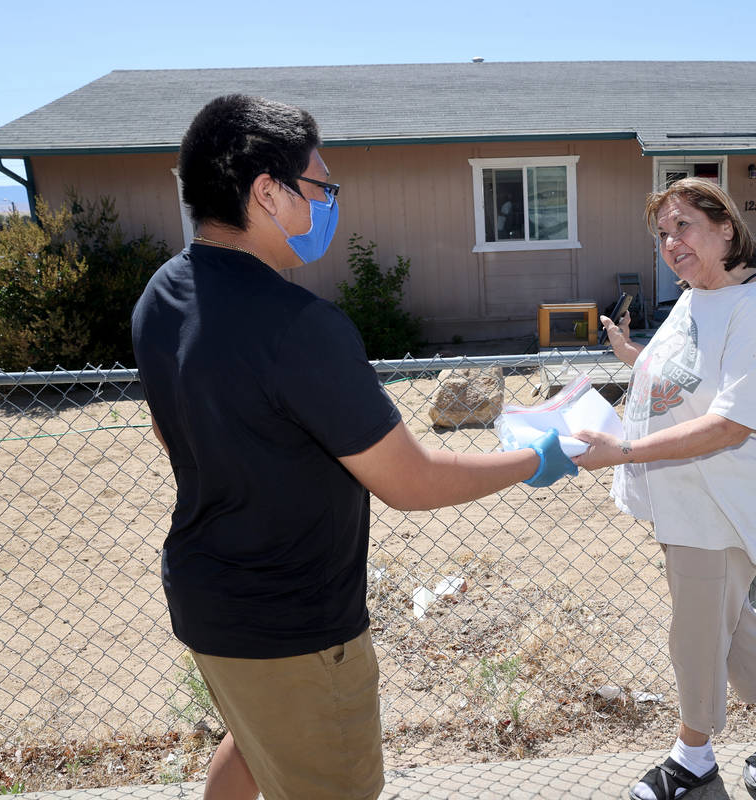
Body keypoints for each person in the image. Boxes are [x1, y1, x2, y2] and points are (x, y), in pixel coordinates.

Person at [130, 94, 576, 800]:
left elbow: (168, 427)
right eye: (320, 187)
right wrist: (539, 458)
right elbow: (411, 481)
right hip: (296, 627)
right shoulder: (301, 327)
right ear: (268, 193)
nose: (330, 202)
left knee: (254, 741)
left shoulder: (162, 295)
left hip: (208, 598)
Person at [572, 177, 756, 799]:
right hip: (681, 503)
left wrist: (622, 450)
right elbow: (681, 376)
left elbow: (731, 424)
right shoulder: (695, 296)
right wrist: (632, 355)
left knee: (698, 636)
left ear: (726, 227)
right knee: (731, 625)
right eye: (662, 233)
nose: (671, 243)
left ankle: (694, 755)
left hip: (718, 507)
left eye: (684, 226)